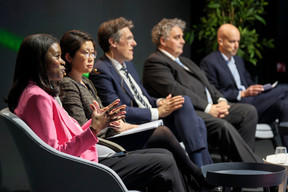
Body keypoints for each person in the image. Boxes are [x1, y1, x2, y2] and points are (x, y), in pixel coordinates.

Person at [7, 33, 190, 192]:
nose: (62, 61)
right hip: (81, 170)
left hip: (84, 160)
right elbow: (55, 156)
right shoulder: (37, 98)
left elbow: (69, 136)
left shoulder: (35, 93)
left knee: (165, 156)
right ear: (39, 61)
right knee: (164, 163)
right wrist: (94, 129)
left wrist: (99, 122)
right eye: (57, 56)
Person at [58, 30, 211, 190]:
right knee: (163, 133)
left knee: (175, 133)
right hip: (104, 142)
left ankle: (194, 178)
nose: (91, 58)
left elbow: (102, 113)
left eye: (92, 53)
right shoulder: (69, 85)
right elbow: (80, 126)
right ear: (68, 57)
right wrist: (108, 123)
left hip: (114, 132)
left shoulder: (85, 81)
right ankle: (197, 174)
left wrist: (116, 121)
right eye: (85, 53)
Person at [89, 17, 213, 167]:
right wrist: (158, 112)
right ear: (113, 42)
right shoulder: (101, 71)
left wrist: (160, 102)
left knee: (187, 107)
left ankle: (203, 171)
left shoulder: (128, 65)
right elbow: (117, 110)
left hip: (149, 121)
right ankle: (201, 170)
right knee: (194, 118)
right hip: (132, 128)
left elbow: (143, 99)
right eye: (129, 39)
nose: (134, 43)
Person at [143, 18, 261, 163]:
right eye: (177, 37)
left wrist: (221, 100)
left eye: (182, 37)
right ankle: (255, 168)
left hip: (210, 107)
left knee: (248, 112)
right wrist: (208, 108)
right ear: (163, 41)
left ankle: (242, 170)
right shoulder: (155, 62)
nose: (183, 41)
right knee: (223, 126)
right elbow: (176, 90)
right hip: (188, 112)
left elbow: (208, 85)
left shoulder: (185, 61)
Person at [200, 23, 288, 145]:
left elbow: (248, 82)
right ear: (220, 41)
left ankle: (286, 153)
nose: (236, 46)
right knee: (284, 89)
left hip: (254, 101)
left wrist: (257, 88)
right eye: (232, 42)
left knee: (284, 105)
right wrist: (242, 94)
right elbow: (214, 92)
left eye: (238, 42)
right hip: (238, 106)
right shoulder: (210, 62)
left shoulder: (238, 60)